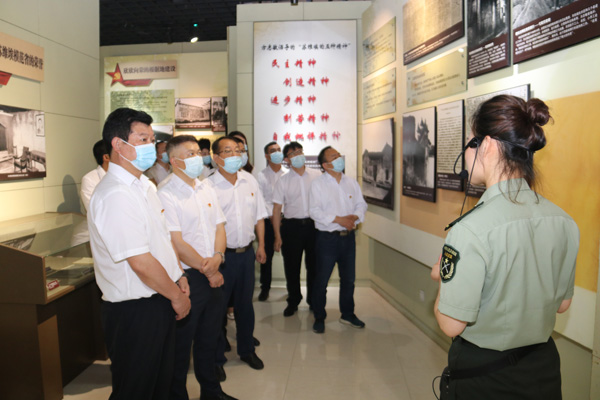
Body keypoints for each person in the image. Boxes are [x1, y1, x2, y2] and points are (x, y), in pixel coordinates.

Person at [432, 95, 579, 399]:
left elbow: (450, 324)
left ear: (486, 145)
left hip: (485, 378)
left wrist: (443, 279)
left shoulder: (470, 229)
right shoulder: (564, 221)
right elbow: (562, 304)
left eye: (470, 143)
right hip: (543, 372)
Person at [87, 108, 191, 400]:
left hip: (159, 297)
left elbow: (161, 239)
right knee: (136, 389)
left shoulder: (144, 186)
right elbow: (141, 262)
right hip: (135, 311)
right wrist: (176, 296)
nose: (151, 146)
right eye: (142, 139)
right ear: (118, 145)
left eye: (151, 139)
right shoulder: (115, 194)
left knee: (160, 385)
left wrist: (179, 275)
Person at [157, 135, 236, 400]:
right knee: (181, 347)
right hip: (187, 279)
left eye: (197, 153)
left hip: (212, 271)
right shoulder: (165, 193)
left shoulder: (206, 187)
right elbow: (176, 242)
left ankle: (211, 392)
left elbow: (220, 227)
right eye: (190, 154)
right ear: (174, 161)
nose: (197, 158)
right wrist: (209, 269)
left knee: (209, 339)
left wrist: (218, 257)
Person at [209, 136, 267, 372]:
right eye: (228, 151)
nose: (235, 155)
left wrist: (261, 245)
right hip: (222, 258)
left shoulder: (249, 180)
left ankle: (247, 350)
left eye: (238, 150)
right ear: (216, 158)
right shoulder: (208, 187)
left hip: (246, 254)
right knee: (217, 310)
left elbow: (259, 216)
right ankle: (216, 360)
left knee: (245, 306)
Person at [309, 146, 367, 334]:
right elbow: (314, 211)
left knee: (348, 279)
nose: (339, 158)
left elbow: (361, 204)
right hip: (327, 239)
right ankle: (319, 316)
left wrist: (355, 217)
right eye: (334, 156)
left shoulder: (351, 182)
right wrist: (339, 219)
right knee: (321, 280)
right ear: (325, 165)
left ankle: (347, 314)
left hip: (348, 239)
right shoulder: (318, 184)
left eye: (339, 155)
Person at [272, 142, 320, 316]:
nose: (298, 156)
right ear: (286, 159)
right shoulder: (283, 181)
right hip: (291, 228)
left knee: (314, 267)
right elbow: (277, 209)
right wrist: (277, 236)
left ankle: (314, 300)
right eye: (293, 154)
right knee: (291, 267)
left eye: (299, 151)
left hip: (314, 227)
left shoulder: (317, 175)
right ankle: (293, 300)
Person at [255, 141, 287, 301]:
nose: (277, 153)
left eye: (279, 150)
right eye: (273, 151)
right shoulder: (260, 176)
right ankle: (265, 288)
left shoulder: (287, 175)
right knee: (266, 256)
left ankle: (292, 289)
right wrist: (273, 216)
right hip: (268, 222)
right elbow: (261, 200)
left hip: (286, 222)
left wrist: (281, 216)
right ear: (267, 156)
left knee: (291, 256)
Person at [80, 139, 109, 213]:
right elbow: (94, 211)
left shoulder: (126, 175)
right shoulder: (90, 179)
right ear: (106, 157)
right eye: (116, 153)